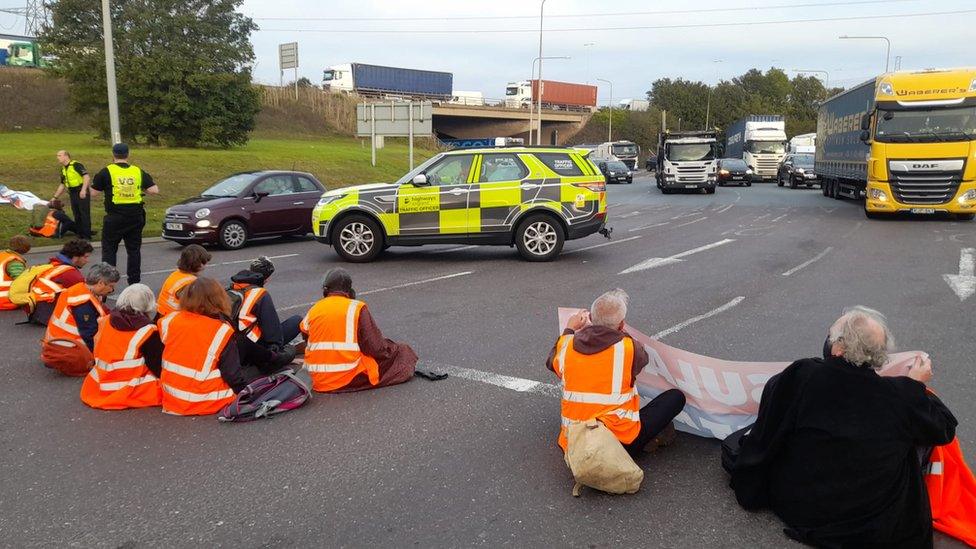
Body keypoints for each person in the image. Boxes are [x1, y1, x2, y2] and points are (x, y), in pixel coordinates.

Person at [730, 306, 958, 548]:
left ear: (838, 347)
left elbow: (770, 418)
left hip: (799, 506)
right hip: (869, 522)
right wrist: (915, 387)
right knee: (916, 431)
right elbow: (944, 428)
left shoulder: (804, 374)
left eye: (831, 335)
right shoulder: (899, 395)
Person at [546, 288, 686, 455]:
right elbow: (643, 360)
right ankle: (649, 441)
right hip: (618, 445)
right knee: (676, 397)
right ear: (621, 324)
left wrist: (569, 328)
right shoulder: (628, 348)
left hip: (574, 442)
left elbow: (551, 362)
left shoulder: (567, 346)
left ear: (590, 318)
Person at [300, 268, 417, 393]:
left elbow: (306, 336)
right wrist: (392, 349)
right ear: (350, 291)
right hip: (344, 378)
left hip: (314, 379)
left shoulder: (314, 309)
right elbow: (376, 348)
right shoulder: (356, 307)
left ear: (325, 291)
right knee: (404, 352)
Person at [157, 277, 258, 416]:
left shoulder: (169, 320)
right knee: (253, 373)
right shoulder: (221, 330)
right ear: (218, 299)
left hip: (172, 396)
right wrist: (247, 394)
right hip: (205, 400)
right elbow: (232, 375)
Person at [81, 283, 163, 410]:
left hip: (100, 382)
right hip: (129, 386)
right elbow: (157, 366)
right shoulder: (148, 331)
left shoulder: (106, 320)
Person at [90, 143, 159, 284]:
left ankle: (107, 283)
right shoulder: (137, 171)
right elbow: (154, 190)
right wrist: (139, 189)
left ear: (113, 155)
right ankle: (134, 282)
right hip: (135, 216)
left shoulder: (106, 172)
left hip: (115, 216)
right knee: (133, 251)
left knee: (109, 250)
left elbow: (94, 193)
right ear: (128, 154)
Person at [41, 263, 118, 376]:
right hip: (71, 351)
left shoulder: (80, 289)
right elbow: (90, 334)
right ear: (101, 283)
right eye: (111, 286)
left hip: (59, 345)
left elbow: (105, 315)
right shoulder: (82, 303)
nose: (112, 290)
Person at [230, 256, 302, 347]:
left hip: (231, 341)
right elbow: (273, 334)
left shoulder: (230, 288)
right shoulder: (260, 294)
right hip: (253, 346)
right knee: (297, 320)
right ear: (266, 279)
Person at [29, 239, 92, 324]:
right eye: (85, 257)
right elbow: (88, 292)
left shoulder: (55, 264)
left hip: (39, 310)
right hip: (49, 313)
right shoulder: (69, 272)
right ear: (76, 257)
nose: (88, 261)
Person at [157, 244, 211, 318]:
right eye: (204, 262)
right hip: (174, 318)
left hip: (162, 314)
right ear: (198, 264)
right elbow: (197, 307)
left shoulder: (176, 274)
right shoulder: (192, 283)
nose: (206, 266)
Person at [53, 150, 93, 240]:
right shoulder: (63, 169)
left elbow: (86, 177)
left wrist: (83, 190)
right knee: (76, 213)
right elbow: (62, 184)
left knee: (84, 214)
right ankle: (80, 234)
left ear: (66, 156)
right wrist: (55, 197)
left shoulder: (76, 165)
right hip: (73, 192)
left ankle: (87, 236)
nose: (57, 157)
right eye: (57, 155)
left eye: (59, 155)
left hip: (81, 191)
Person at [0, 235, 30, 310]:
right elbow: (21, 281)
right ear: (26, 248)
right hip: (5, 299)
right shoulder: (14, 262)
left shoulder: (3, 256)